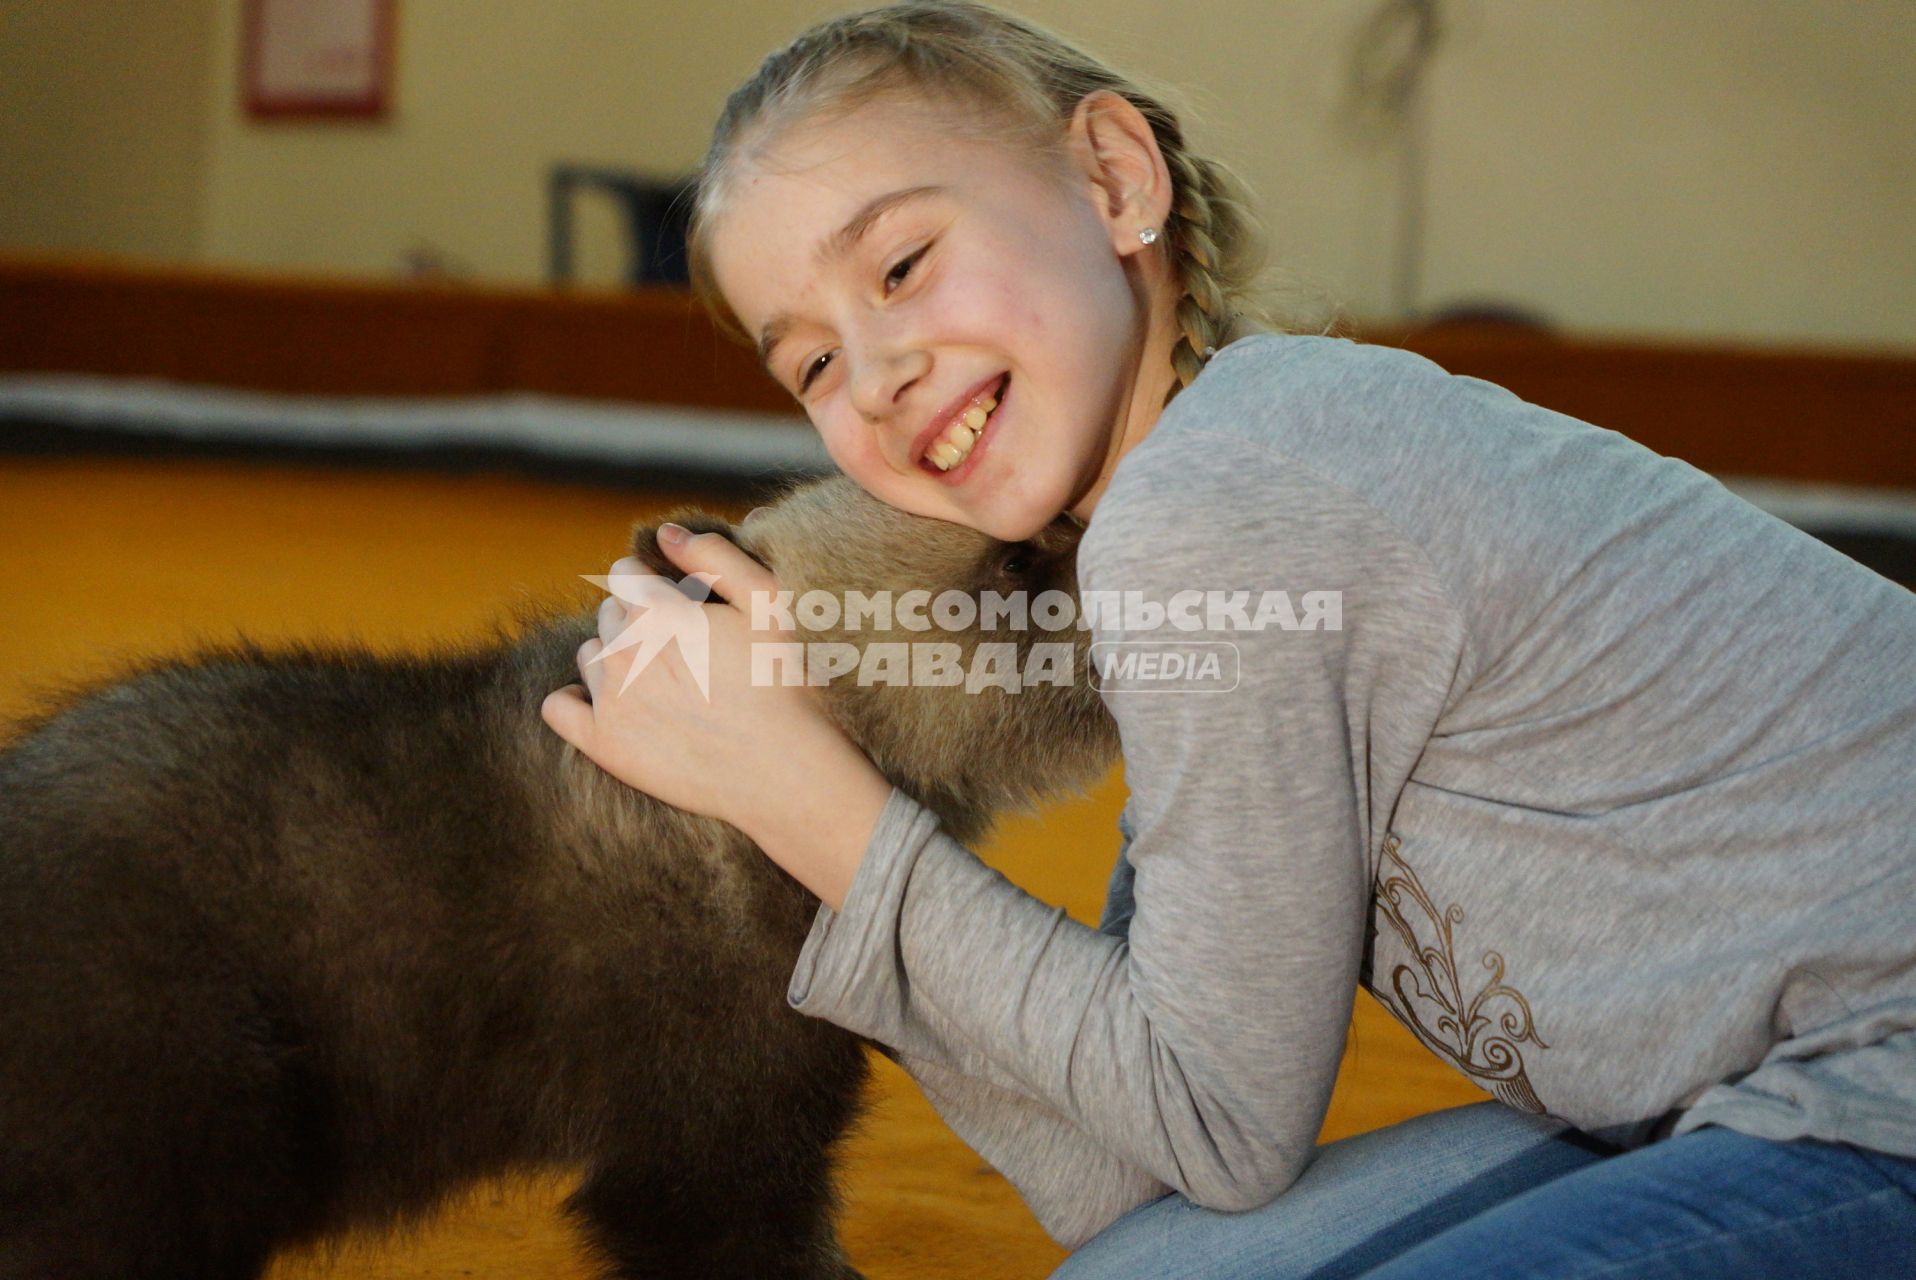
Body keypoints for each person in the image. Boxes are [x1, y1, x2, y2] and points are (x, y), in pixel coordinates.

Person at [539, 3, 1916, 1275]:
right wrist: (826, 833)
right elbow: (1141, 1179)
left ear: (1117, 180)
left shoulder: (1222, 502)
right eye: (815, 365)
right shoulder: (1198, 530)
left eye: (902, 263)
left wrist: (812, 800)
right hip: (1760, 1088)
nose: (879, 373)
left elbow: (1216, 1131)